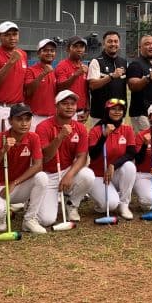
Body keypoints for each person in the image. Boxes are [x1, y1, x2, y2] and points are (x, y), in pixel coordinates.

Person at [0, 103, 50, 234]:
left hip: (18, 186)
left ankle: (30, 219)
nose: (24, 123)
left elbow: (38, 165)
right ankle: (0, 218)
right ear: (10, 121)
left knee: (42, 177)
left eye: (27, 119)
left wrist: (14, 183)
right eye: (19, 119)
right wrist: (3, 150)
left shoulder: (33, 137)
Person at [34, 90, 93, 224]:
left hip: (66, 170)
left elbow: (82, 156)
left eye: (72, 104)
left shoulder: (80, 128)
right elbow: (45, 157)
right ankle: (35, 199)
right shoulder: (43, 127)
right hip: (47, 174)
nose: (69, 107)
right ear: (56, 106)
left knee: (87, 175)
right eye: (65, 104)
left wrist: (69, 176)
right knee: (46, 220)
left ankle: (72, 204)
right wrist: (59, 137)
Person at [86, 97, 138, 220]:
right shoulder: (96, 130)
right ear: (107, 111)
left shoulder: (127, 129)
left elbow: (131, 153)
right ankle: (105, 203)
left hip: (115, 172)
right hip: (99, 175)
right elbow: (93, 154)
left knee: (130, 166)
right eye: (113, 109)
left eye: (120, 110)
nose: (117, 112)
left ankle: (124, 204)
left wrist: (113, 164)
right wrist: (104, 136)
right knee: (110, 205)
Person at [0, 21, 27, 141]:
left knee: (14, 148)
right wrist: (10, 63)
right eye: (7, 35)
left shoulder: (22, 54)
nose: (12, 38)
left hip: (17, 108)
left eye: (15, 34)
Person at [126, 35, 152, 132]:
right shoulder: (136, 64)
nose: (151, 46)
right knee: (146, 143)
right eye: (147, 44)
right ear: (140, 47)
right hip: (142, 113)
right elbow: (132, 86)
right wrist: (148, 78)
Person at [87, 30, 128, 125]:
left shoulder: (123, 62)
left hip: (119, 114)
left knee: (118, 140)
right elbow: (92, 85)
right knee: (100, 140)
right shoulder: (96, 61)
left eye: (116, 41)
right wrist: (111, 76)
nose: (113, 44)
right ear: (103, 44)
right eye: (110, 41)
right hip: (100, 114)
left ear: (119, 43)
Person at [55, 35, 90, 120]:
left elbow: (86, 91)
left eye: (81, 47)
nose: (79, 49)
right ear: (68, 49)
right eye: (75, 46)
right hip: (66, 112)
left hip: (81, 111)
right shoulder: (62, 65)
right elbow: (60, 87)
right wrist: (76, 75)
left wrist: (87, 109)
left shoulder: (84, 67)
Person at [25, 39, 58, 128]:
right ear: (39, 53)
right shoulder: (30, 70)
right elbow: (28, 91)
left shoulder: (54, 72)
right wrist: (43, 74)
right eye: (45, 50)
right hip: (34, 117)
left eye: (52, 51)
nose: (49, 53)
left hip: (52, 117)